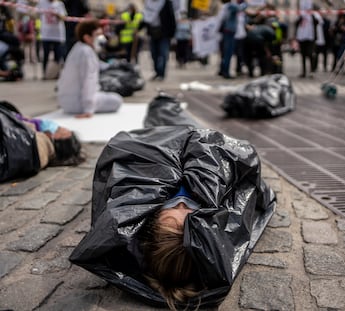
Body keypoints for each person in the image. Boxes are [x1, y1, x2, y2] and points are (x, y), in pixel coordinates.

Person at [69, 93, 276, 310]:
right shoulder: (214, 212)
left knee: (162, 116)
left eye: (171, 213)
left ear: (151, 223)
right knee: (185, 120)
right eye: (188, 217)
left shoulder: (141, 204)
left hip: (158, 139)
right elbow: (246, 176)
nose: (181, 204)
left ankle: (162, 101)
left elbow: (125, 157)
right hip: (200, 137)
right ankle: (167, 102)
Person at [0, 100, 83, 182]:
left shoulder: (39, 142)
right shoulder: (42, 154)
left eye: (62, 131)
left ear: (61, 139)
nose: (61, 128)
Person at [57, 19, 123, 118]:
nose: (102, 38)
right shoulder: (87, 53)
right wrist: (88, 109)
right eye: (97, 35)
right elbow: (88, 80)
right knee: (117, 100)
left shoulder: (78, 48)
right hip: (78, 103)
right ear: (87, 38)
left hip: (66, 101)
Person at [142, 0, 177, 81]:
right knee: (154, 54)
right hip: (152, 33)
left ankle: (161, 74)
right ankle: (157, 72)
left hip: (164, 33)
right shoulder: (148, 4)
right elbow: (145, 18)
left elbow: (171, 17)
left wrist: (172, 34)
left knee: (163, 54)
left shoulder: (166, 3)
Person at [36, 0, 67, 79]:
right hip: (46, 34)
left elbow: (64, 17)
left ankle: (55, 73)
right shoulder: (42, 3)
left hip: (58, 35)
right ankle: (45, 73)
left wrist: (56, 14)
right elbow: (35, 14)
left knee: (58, 55)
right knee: (45, 55)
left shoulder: (59, 4)